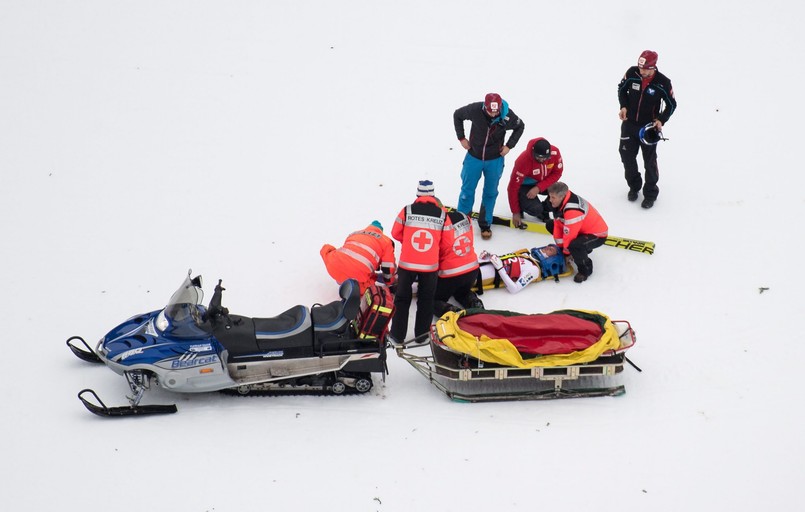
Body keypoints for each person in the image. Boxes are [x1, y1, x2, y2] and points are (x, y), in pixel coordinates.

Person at [453, 92, 525, 240]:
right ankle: (461, 221)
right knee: (467, 189)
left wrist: (509, 146)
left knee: (490, 192)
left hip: (495, 160)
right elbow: (457, 115)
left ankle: (485, 223)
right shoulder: (475, 110)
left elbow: (520, 126)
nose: (493, 115)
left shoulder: (507, 116)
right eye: (490, 111)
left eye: (496, 111)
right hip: (474, 157)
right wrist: (461, 137)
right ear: (485, 107)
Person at [389, 180, 448, 343]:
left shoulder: (407, 210)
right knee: (426, 299)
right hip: (430, 266)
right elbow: (447, 242)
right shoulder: (442, 214)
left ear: (417, 195)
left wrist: (408, 242)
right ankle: (422, 337)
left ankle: (397, 335)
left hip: (407, 264)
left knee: (401, 299)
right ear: (433, 196)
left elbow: (395, 232)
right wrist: (433, 248)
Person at [618, 50, 677, 209]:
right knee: (627, 157)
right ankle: (634, 186)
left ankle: (650, 193)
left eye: (645, 69)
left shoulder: (663, 82)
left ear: (653, 67)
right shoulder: (632, 73)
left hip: (648, 128)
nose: (642, 71)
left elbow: (672, 104)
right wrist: (623, 106)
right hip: (629, 125)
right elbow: (621, 89)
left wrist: (661, 120)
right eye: (640, 68)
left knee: (649, 162)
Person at [545, 182, 608, 283]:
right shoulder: (560, 202)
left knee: (575, 245)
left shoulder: (572, 210)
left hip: (598, 234)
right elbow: (558, 224)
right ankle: (583, 250)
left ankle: (585, 270)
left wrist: (566, 253)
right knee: (550, 224)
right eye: (550, 196)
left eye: (553, 197)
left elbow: (569, 235)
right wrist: (561, 249)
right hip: (581, 229)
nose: (550, 200)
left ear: (562, 196)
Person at [320, 221, 397, 294]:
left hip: (334, 266)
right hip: (357, 275)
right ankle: (351, 285)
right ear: (380, 231)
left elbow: (350, 255)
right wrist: (389, 281)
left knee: (328, 250)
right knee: (368, 287)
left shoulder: (354, 233)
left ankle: (342, 279)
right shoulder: (386, 241)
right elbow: (388, 267)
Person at [433, 209, 483, 317]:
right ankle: (474, 303)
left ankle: (451, 312)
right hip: (472, 269)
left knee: (432, 300)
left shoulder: (438, 224)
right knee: (462, 293)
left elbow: (434, 254)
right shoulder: (463, 216)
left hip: (450, 274)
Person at [507, 137, 564, 226]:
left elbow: (557, 173)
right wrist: (515, 212)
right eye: (539, 158)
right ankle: (521, 203)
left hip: (542, 182)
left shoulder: (555, 153)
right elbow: (512, 187)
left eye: (545, 158)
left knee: (560, 192)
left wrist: (539, 187)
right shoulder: (523, 161)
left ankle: (544, 210)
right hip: (524, 185)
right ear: (533, 153)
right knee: (536, 209)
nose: (542, 160)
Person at [476, 245, 566, 294]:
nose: (546, 248)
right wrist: (486, 257)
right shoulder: (524, 253)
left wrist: (500, 268)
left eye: (550, 250)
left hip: (485, 275)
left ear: (552, 260)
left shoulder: (534, 270)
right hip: (480, 265)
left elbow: (514, 289)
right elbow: (504, 258)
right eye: (548, 246)